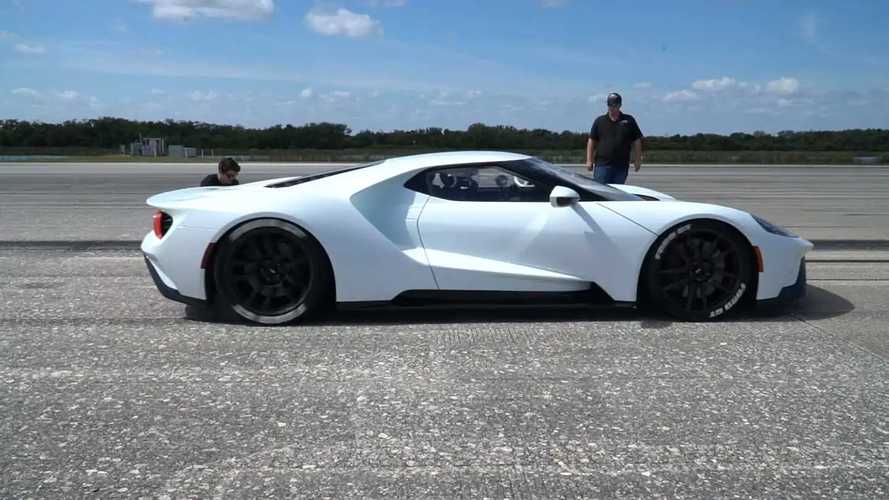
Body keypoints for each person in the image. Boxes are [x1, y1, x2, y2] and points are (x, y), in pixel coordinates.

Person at [586, 93, 643, 184]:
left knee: (617, 194)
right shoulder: (599, 121)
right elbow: (591, 141)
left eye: (615, 105)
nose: (612, 108)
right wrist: (589, 160)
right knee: (602, 192)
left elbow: (637, 140)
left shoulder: (629, 120)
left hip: (621, 166)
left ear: (620, 105)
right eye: (610, 105)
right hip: (602, 165)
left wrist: (637, 159)